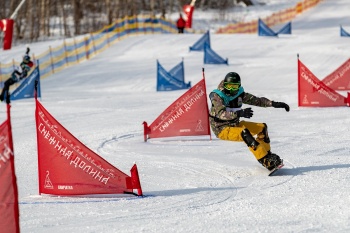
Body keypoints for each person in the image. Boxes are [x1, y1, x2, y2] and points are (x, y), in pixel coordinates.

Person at [209, 72, 290, 171]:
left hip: (234, 124)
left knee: (262, 128)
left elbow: (256, 100)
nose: (231, 89)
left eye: (234, 87)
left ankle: (268, 155)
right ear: (225, 85)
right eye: (229, 86)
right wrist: (239, 113)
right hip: (221, 128)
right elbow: (220, 113)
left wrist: (273, 103)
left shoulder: (239, 94)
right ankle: (264, 160)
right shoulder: (217, 97)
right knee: (245, 133)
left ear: (239, 86)